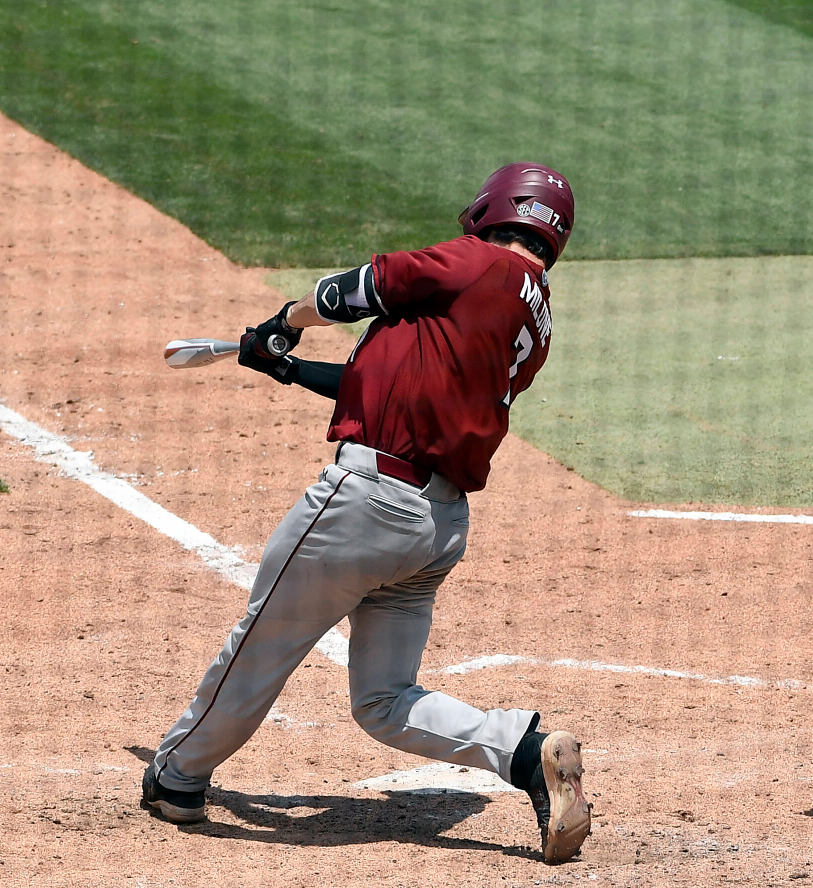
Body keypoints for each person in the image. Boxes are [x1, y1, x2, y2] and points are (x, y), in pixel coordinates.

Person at [142, 163, 591, 864]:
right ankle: (527, 752)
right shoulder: (532, 314)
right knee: (384, 700)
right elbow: (392, 387)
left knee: (261, 643)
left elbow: (355, 289)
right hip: (434, 527)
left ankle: (177, 777)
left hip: (363, 508)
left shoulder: (476, 264)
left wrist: (281, 323)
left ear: (495, 207)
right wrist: (284, 367)